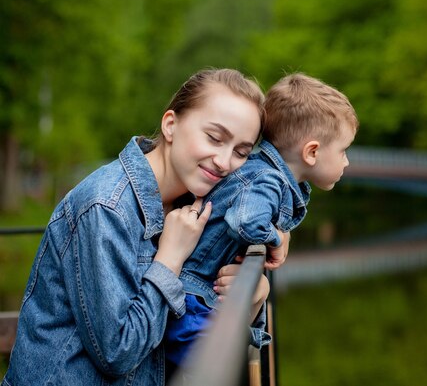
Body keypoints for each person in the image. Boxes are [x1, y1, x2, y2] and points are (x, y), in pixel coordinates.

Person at [1, 68, 281, 386]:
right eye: (214, 138)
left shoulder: (198, 206)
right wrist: (170, 259)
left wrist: (254, 295)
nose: (224, 161)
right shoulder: (106, 207)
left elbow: (194, 340)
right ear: (171, 124)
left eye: (242, 152)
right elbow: (118, 354)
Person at [163, 72, 359, 369]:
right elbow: (244, 220)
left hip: (198, 295)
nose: (346, 162)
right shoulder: (267, 180)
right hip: (193, 299)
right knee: (215, 367)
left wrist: (279, 234)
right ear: (312, 152)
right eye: (343, 151)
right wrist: (276, 239)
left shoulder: (262, 172)